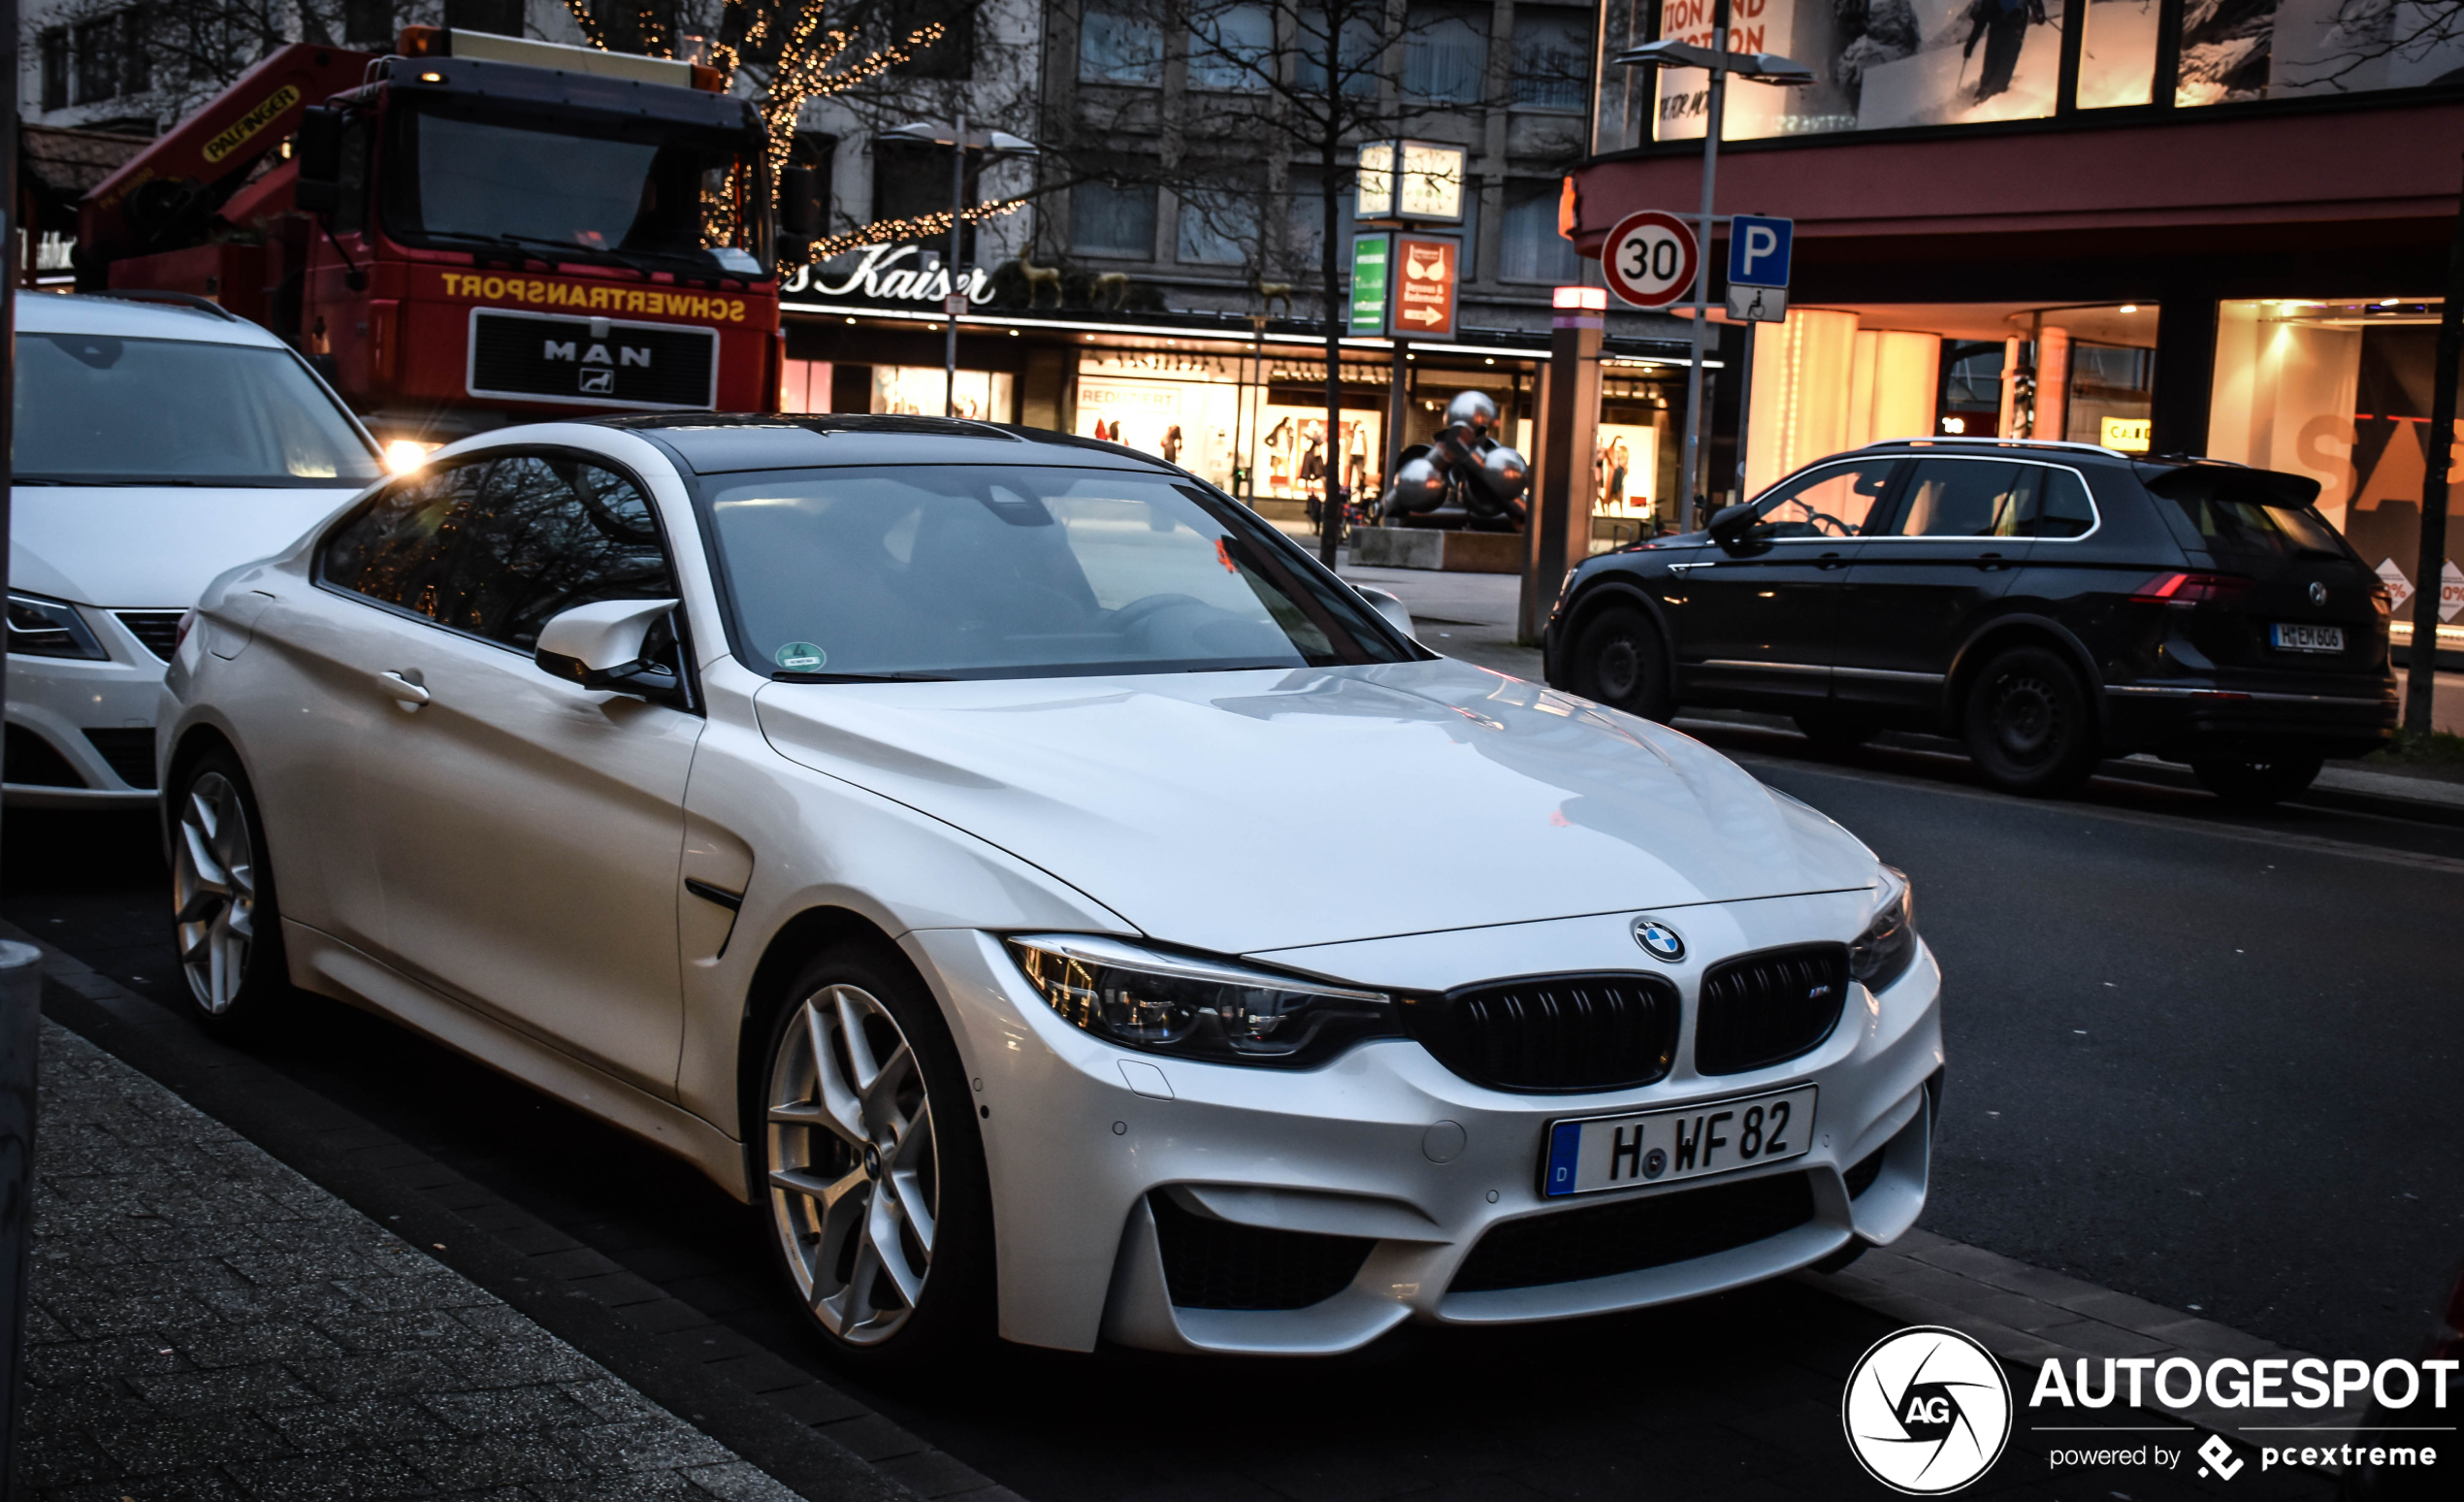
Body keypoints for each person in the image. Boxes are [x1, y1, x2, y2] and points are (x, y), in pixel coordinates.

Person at [1961, 0, 2046, 103]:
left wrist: (1970, 44)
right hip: (2010, 31)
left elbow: (1981, 19)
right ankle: (1986, 98)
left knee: (1995, 72)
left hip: (2007, 32)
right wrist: (1970, 44)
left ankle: (1986, 99)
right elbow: (2040, 18)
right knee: (1996, 73)